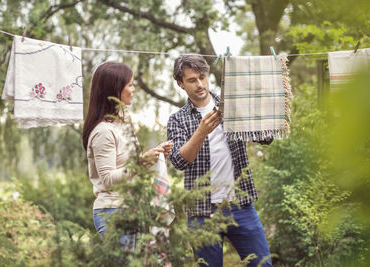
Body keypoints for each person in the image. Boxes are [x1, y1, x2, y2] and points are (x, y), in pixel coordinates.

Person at [167, 54, 273, 266]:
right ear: (180, 83)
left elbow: (266, 138)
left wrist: (252, 114)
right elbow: (179, 161)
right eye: (192, 80)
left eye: (202, 77)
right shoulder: (177, 120)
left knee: (263, 264)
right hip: (201, 211)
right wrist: (201, 132)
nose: (200, 84)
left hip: (240, 205)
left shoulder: (231, 106)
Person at [82, 62, 173, 246]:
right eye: (130, 85)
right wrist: (140, 162)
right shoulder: (104, 132)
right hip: (113, 213)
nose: (133, 90)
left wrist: (154, 155)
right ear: (115, 89)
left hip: (131, 209)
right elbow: (108, 179)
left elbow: (129, 171)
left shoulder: (122, 126)